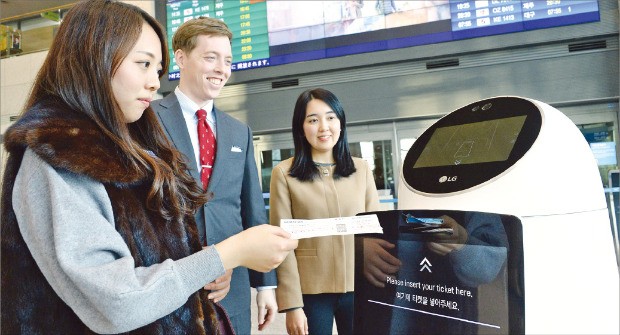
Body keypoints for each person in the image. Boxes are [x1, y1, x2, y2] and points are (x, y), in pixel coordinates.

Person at [0, 1, 297, 334]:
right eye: (143, 64)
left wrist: (210, 268)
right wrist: (226, 255)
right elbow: (118, 300)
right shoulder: (58, 156)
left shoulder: (136, 141)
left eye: (157, 70)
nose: (155, 83)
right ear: (94, 58)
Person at [151, 16, 277, 334]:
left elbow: (252, 211)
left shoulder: (239, 132)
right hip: (171, 289)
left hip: (231, 290)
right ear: (181, 57)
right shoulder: (147, 120)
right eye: (211, 57)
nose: (222, 69)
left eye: (228, 60)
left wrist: (265, 287)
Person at [269, 88, 380, 335]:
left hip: (359, 287)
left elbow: (376, 233)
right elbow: (282, 243)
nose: (323, 127)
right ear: (301, 127)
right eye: (313, 120)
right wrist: (292, 305)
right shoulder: (284, 174)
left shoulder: (361, 169)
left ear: (341, 123)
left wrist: (380, 288)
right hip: (310, 293)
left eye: (330, 117)